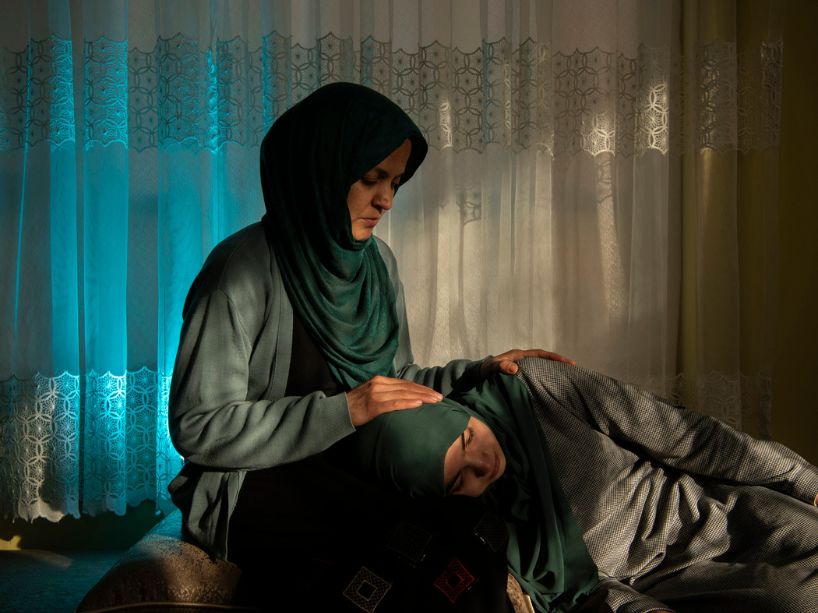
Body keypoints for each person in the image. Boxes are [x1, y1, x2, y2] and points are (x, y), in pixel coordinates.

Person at [166, 82, 571, 609]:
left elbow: (395, 381)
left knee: (472, 522)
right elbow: (199, 427)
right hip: (254, 478)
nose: (386, 200)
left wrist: (479, 370)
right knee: (408, 542)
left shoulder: (376, 264)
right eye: (371, 178)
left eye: (395, 182)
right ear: (320, 170)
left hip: (355, 458)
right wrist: (345, 410)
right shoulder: (239, 272)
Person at [349, 358, 818, 613]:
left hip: (716, 517)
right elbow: (582, 591)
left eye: (468, 436)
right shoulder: (475, 527)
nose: (483, 464)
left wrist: (802, 480)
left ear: (451, 409)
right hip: (667, 585)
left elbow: (687, 437)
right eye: (459, 478)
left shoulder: (534, 388)